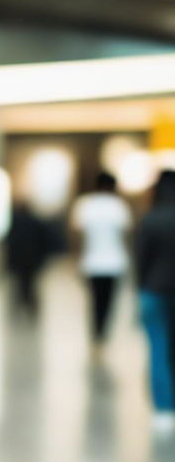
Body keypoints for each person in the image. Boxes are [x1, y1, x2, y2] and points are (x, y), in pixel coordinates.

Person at [70, 171, 132, 357]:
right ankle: (102, 336)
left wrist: (76, 260)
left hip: (92, 262)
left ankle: (96, 337)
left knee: (94, 301)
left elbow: (77, 237)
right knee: (108, 301)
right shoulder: (119, 206)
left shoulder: (85, 205)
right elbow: (125, 236)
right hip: (115, 262)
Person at [135, 170, 175, 434]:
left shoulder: (150, 220)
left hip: (155, 290)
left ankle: (164, 409)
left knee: (159, 349)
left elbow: (141, 262)